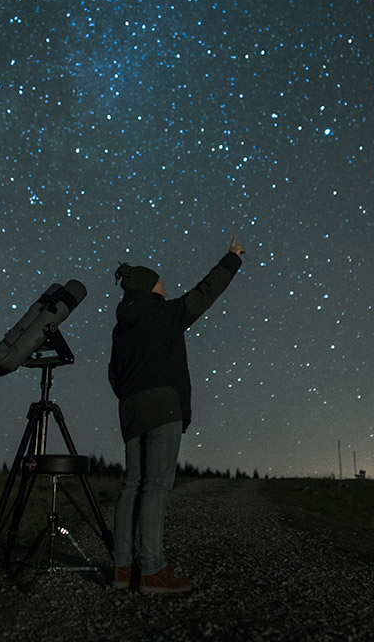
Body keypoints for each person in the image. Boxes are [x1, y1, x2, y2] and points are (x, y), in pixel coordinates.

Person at [108, 237, 245, 594]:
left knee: (132, 486)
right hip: (163, 406)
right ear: (148, 286)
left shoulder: (121, 327)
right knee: (155, 486)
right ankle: (153, 570)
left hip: (131, 409)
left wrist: (132, 395)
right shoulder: (164, 314)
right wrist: (231, 259)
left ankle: (122, 569)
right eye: (159, 281)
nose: (164, 285)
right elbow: (205, 293)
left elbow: (114, 375)